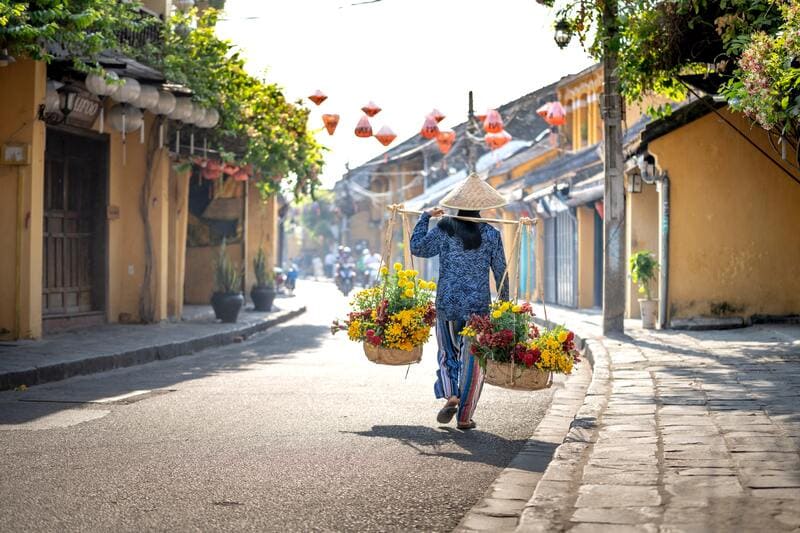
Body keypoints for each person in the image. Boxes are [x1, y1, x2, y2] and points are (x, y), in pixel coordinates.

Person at [410, 173, 508, 431]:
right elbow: (501, 272)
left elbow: (418, 248)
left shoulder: (444, 228)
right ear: (482, 206)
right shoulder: (491, 234)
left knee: (447, 353)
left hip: (447, 303)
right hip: (478, 308)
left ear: (456, 203)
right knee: (474, 360)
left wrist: (424, 218)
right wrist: (506, 307)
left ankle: (451, 393)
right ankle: (464, 415)